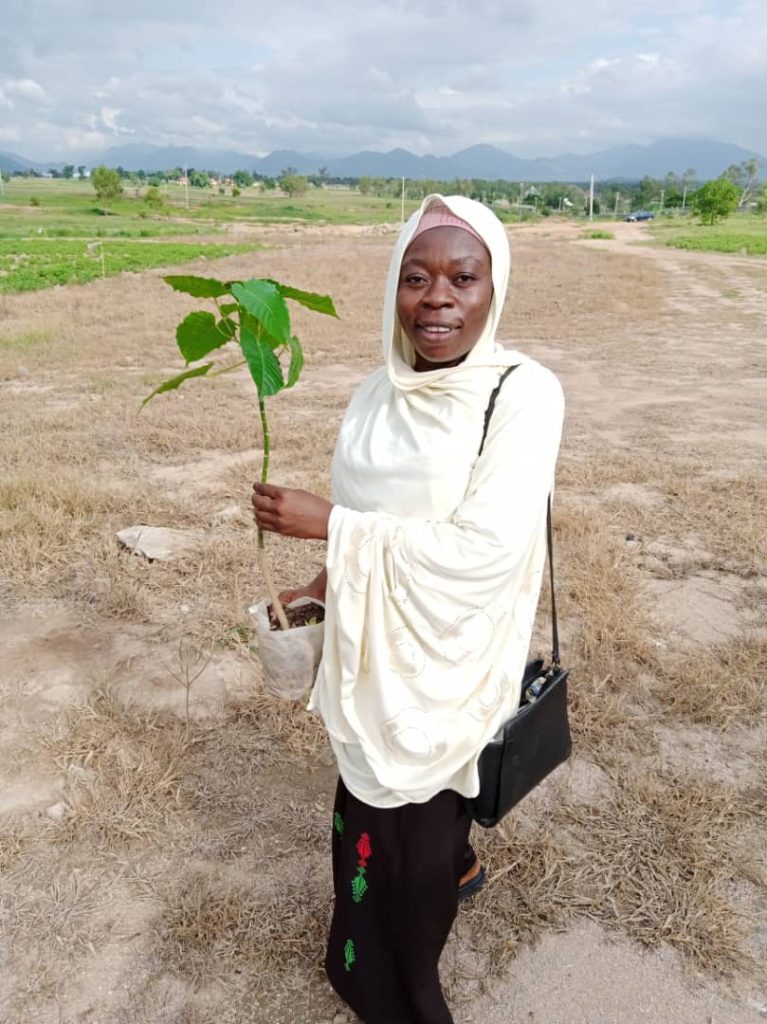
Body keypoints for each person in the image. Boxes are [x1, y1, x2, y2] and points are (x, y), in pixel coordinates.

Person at [252, 195, 564, 1024]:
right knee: (375, 800)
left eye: (463, 277)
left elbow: (486, 551)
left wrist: (334, 527)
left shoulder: (521, 394)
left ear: (495, 288)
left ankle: (404, 997)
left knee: (409, 835)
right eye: (415, 277)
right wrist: (322, 582)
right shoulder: (373, 393)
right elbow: (363, 506)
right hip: (372, 646)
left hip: (454, 652)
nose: (438, 298)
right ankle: (404, 922)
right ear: (393, 286)